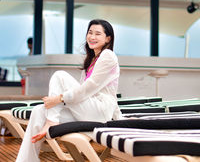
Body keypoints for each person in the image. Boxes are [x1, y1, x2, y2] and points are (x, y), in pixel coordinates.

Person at [16, 19, 122, 162]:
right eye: (90, 32)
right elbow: (80, 95)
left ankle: (51, 120)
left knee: (60, 76)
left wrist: (59, 98)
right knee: (38, 111)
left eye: (98, 34)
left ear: (108, 38)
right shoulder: (92, 60)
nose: (92, 37)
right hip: (88, 109)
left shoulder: (108, 55)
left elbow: (87, 89)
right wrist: (60, 100)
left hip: (99, 111)